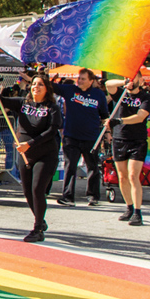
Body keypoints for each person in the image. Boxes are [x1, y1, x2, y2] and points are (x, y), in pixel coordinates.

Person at [1, 75, 63, 242]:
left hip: (45, 154)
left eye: (40, 84)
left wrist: (30, 143)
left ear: (47, 88)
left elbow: (51, 131)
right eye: (34, 84)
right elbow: (0, 100)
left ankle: (37, 229)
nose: (36, 86)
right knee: (27, 192)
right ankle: (40, 220)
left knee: (37, 189)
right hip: (25, 155)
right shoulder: (22, 103)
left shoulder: (52, 108)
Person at [53, 68, 109, 206]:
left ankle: (93, 196)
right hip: (71, 135)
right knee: (70, 166)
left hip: (91, 137)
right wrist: (49, 77)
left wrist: (107, 134)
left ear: (91, 81)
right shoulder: (70, 90)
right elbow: (52, 87)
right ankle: (68, 197)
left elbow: (104, 116)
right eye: (79, 78)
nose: (80, 81)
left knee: (92, 166)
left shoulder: (99, 94)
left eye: (83, 79)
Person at [105, 72, 150, 227]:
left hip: (137, 140)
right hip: (119, 139)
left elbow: (140, 116)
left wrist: (118, 120)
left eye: (135, 78)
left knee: (133, 175)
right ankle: (129, 207)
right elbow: (108, 85)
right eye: (130, 78)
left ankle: (138, 212)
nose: (132, 81)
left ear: (141, 80)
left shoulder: (146, 97)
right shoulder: (121, 94)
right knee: (122, 176)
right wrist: (124, 82)